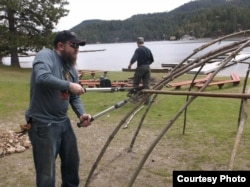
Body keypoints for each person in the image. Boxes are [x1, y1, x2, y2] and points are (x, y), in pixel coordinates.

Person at [25, 30, 92, 187]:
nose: (77, 49)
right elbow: (42, 77)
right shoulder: (46, 55)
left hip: (63, 122)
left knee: (72, 165)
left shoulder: (71, 68)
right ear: (60, 46)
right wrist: (69, 85)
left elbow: (73, 97)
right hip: (43, 123)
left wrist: (81, 114)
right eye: (74, 45)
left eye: (79, 45)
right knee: (46, 174)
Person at [128, 37, 154, 104]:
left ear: (137, 43)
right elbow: (152, 60)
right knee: (147, 85)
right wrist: (147, 64)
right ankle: (147, 101)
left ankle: (135, 99)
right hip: (147, 68)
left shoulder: (138, 50)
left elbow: (134, 58)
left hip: (140, 67)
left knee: (135, 83)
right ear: (143, 42)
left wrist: (130, 64)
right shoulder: (148, 50)